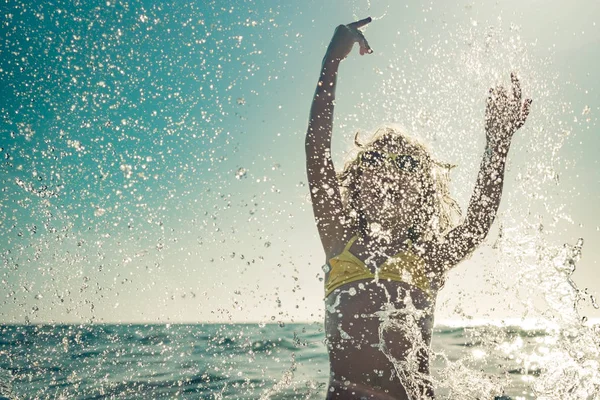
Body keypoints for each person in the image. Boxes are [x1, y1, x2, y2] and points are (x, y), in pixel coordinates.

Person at [305, 17, 532, 400]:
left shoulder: (429, 256)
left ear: (425, 192)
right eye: (377, 160)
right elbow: (316, 151)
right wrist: (332, 61)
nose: (392, 171)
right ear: (357, 182)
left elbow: (476, 224)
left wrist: (498, 144)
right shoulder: (338, 238)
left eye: (407, 164)